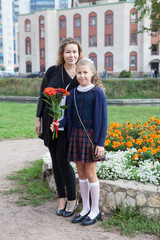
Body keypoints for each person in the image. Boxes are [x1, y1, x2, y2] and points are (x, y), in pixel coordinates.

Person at [51, 58, 108, 226]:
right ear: (76, 74)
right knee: (81, 174)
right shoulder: (73, 93)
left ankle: (95, 211)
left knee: (90, 173)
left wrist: (100, 143)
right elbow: (68, 118)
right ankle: (85, 209)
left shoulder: (98, 93)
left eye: (85, 72)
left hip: (91, 138)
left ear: (92, 73)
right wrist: (57, 124)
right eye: (79, 72)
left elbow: (103, 120)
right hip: (75, 136)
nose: (82, 75)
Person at [35, 37, 83, 217]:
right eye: (68, 52)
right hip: (50, 122)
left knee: (63, 160)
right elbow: (42, 96)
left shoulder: (81, 73)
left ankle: (72, 198)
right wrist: (38, 118)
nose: (71, 55)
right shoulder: (53, 72)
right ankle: (61, 198)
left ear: (79, 54)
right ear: (62, 54)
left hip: (69, 124)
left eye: (74, 52)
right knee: (55, 160)